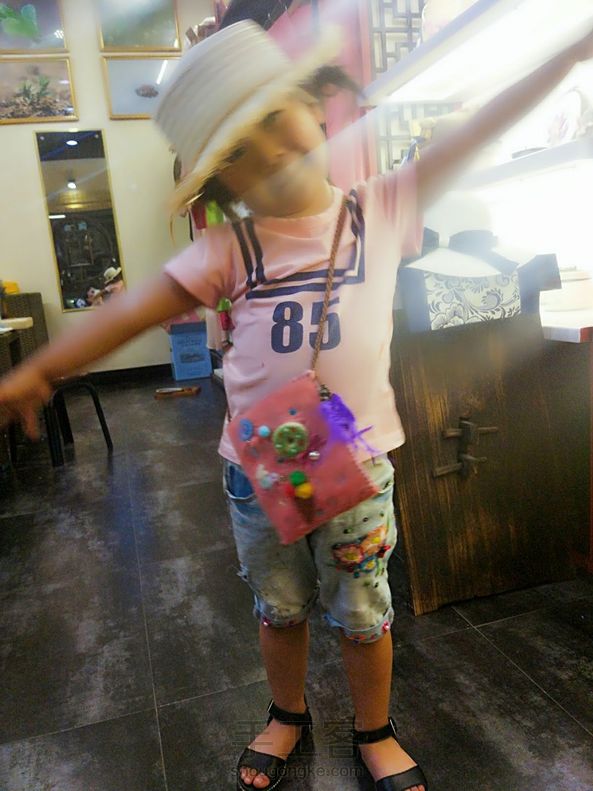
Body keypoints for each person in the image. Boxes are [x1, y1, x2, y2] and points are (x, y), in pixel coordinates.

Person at [0, 20, 592, 791]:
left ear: (314, 106)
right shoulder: (226, 249)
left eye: (273, 118)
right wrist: (41, 369)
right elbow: (131, 310)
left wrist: (568, 52)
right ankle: (286, 713)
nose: (269, 152)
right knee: (277, 607)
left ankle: (374, 728)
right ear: (220, 184)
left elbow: (483, 125)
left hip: (357, 463)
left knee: (363, 613)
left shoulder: (382, 207)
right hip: (258, 469)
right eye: (236, 152)